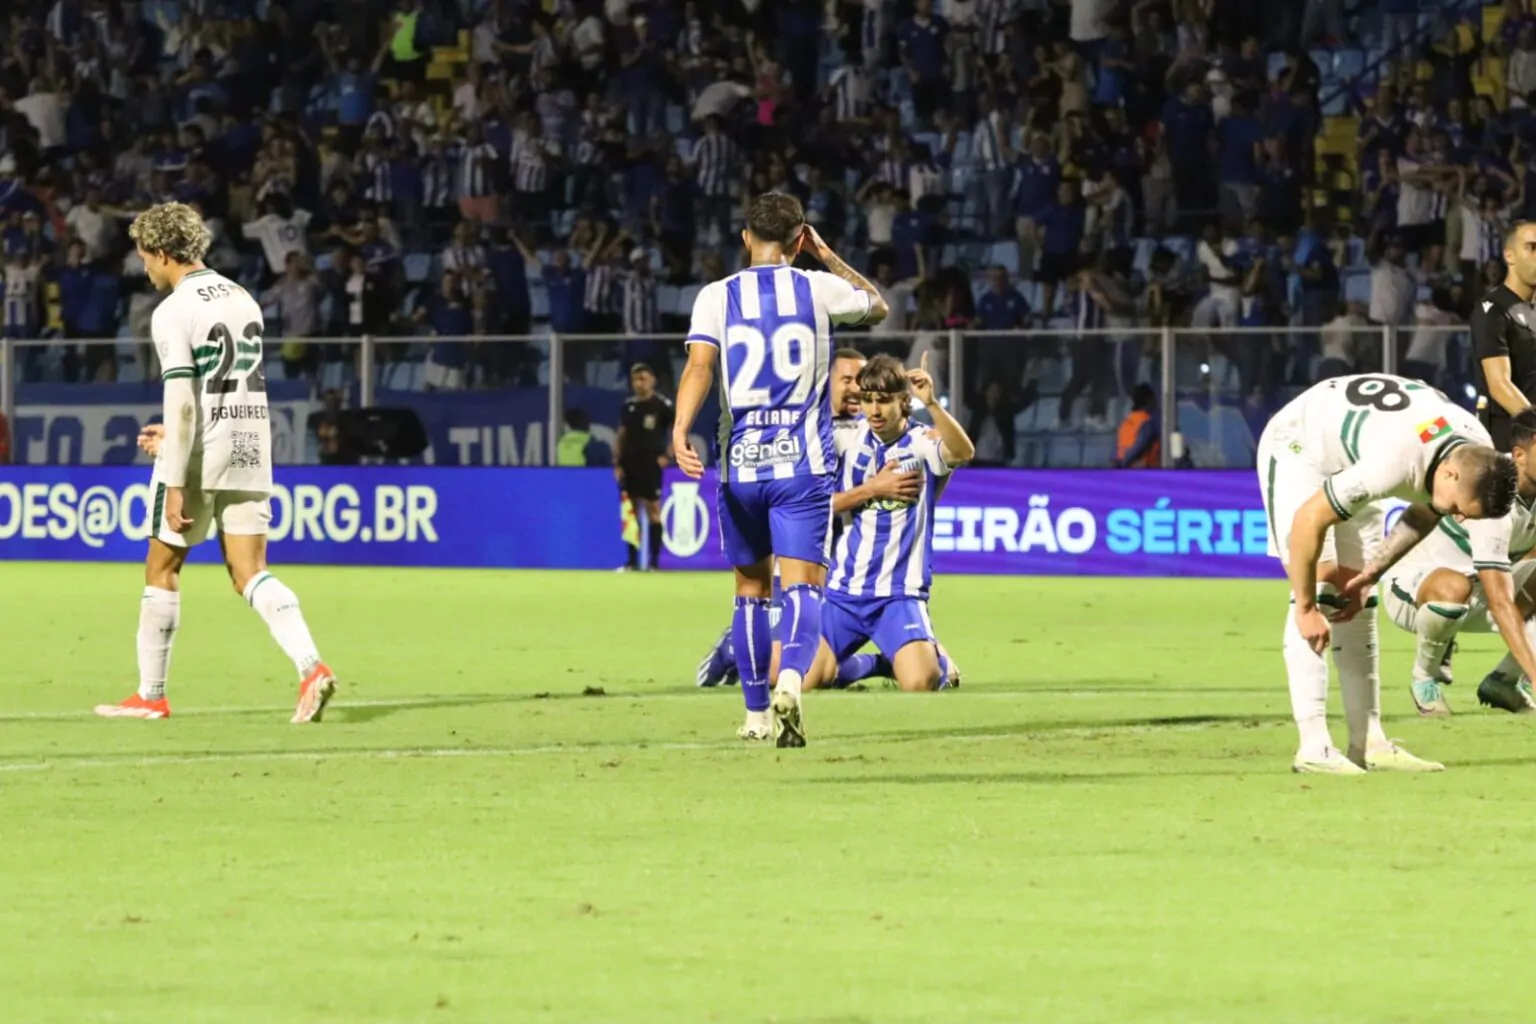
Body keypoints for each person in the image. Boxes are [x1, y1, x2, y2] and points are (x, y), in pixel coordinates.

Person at [95, 202, 337, 724]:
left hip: (200, 450)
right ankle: (311, 667)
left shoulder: (172, 310)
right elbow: (223, 382)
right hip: (251, 438)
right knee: (250, 570)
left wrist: (176, 475)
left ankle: (151, 695)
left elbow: (182, 401)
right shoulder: (241, 295)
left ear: (163, 252)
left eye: (145, 257)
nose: (144, 268)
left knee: (162, 565)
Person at [673, 193, 889, 748]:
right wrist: (828, 256)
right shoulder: (817, 286)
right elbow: (877, 305)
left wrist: (679, 430)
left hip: (740, 464)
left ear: (746, 237)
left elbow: (700, 366)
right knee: (803, 588)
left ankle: (754, 716)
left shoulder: (715, 296)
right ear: (799, 240)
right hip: (803, 464)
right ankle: (790, 678)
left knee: (749, 587)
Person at [1258, 373, 1518, 774]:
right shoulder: (1395, 462)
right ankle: (1313, 747)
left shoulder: (1474, 452)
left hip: (1355, 453)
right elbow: (1310, 519)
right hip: (1301, 445)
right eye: (1464, 508)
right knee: (1324, 589)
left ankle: (1370, 744)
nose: (1462, 518)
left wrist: (1371, 571)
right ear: (1449, 474)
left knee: (1360, 597)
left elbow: (1425, 510)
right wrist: (1306, 608)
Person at [694, 348, 927, 693]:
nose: (855, 388)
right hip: (797, 563)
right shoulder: (809, 435)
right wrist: (872, 489)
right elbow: (806, 504)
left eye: (861, 383)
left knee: (804, 669)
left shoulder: (868, 430)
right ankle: (733, 647)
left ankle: (892, 658)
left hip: (846, 575)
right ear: (826, 381)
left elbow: (925, 448)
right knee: (781, 671)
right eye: (847, 380)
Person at [802, 353, 974, 692]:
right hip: (844, 592)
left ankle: (921, 655)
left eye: (883, 401)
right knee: (801, 678)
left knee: (921, 683)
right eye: (868, 400)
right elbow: (814, 506)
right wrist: (873, 489)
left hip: (898, 595)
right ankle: (877, 663)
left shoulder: (921, 441)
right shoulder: (847, 439)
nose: (874, 410)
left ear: (903, 401)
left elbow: (963, 453)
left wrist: (933, 404)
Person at [1382, 406, 1536, 716]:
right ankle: (1424, 678)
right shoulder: (1492, 491)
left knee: (1468, 586)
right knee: (1454, 587)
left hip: (1481, 591)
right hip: (1417, 589)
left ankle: (1504, 680)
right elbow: (1500, 600)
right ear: (1518, 455)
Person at [1472, 221, 1536, 451]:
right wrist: (1533, 426)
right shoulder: (1492, 308)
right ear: (1510, 256)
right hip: (1510, 438)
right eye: (1531, 248)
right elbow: (1499, 385)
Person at [614, 363, 674, 571]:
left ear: (652, 380)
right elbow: (622, 435)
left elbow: (677, 431)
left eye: (643, 379)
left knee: (653, 510)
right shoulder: (628, 406)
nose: (639, 383)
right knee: (630, 511)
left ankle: (654, 563)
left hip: (651, 463)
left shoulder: (663, 406)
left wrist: (668, 455)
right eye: (635, 379)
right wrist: (617, 463)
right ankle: (631, 562)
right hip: (630, 464)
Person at [1115, 383, 1161, 467]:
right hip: (1143, 468)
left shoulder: (1126, 421)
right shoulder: (1147, 422)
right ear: (1148, 400)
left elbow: (1117, 447)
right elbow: (1140, 445)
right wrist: (1126, 463)